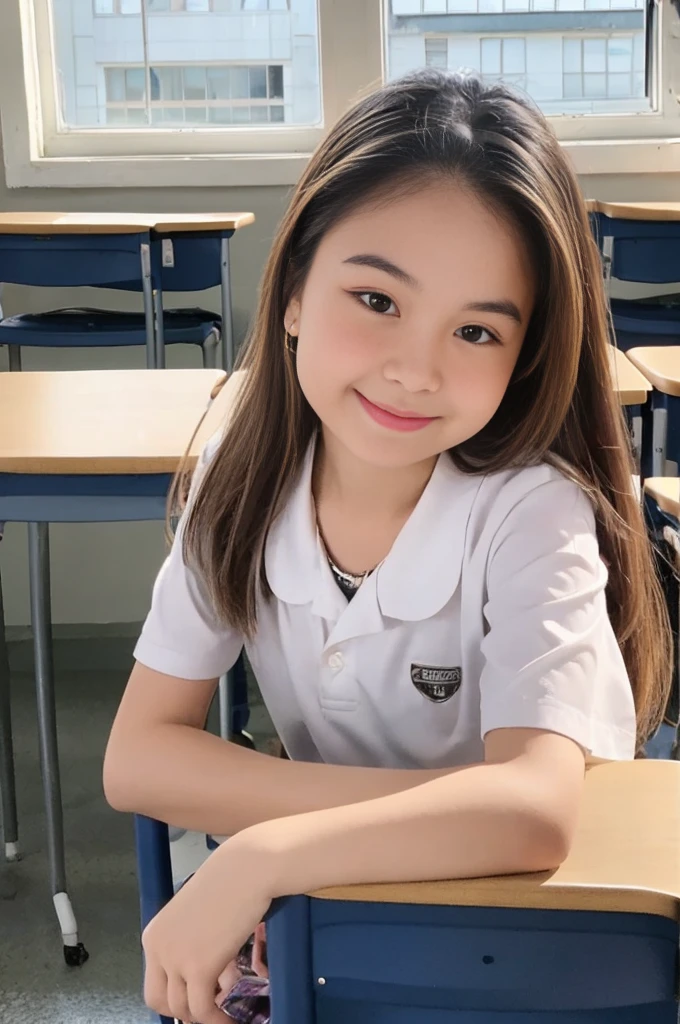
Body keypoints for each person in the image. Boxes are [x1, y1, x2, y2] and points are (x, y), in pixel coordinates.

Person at [103, 69, 672, 1024]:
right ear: (290, 293)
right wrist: (438, 811)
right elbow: (138, 757)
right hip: (359, 917)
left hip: (550, 939)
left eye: (478, 329)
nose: (417, 368)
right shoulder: (235, 484)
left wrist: (268, 846)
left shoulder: (533, 511)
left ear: (524, 356)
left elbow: (532, 815)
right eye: (376, 300)